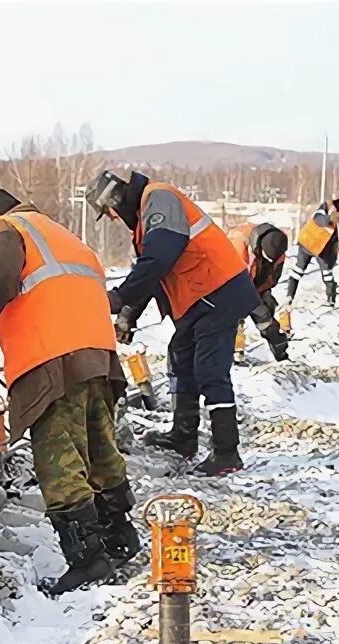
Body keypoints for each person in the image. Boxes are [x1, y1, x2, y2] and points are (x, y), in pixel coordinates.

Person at [0, 189, 138, 595]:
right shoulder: (59, 232)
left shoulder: (3, 226)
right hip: (97, 353)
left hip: (53, 358)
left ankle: (87, 559)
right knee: (99, 446)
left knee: (59, 458)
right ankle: (120, 535)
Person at [84, 170, 259, 477]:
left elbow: (160, 259)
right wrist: (128, 314)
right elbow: (152, 271)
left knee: (210, 371)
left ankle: (227, 453)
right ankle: (183, 436)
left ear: (114, 201)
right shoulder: (146, 217)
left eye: (109, 213)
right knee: (181, 357)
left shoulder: (159, 198)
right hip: (200, 297)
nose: (112, 219)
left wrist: (118, 297)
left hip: (218, 290)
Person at [285, 196, 339, 307]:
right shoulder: (329, 206)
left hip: (324, 249)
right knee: (298, 270)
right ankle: (289, 297)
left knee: (327, 273)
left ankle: (331, 300)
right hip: (309, 242)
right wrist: (330, 219)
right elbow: (317, 218)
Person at [226, 223, 289, 361]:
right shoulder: (239, 244)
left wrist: (265, 297)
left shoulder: (278, 248)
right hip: (232, 287)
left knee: (268, 322)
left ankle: (281, 356)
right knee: (234, 316)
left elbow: (272, 278)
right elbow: (238, 285)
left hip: (256, 284)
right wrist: (256, 305)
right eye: (267, 258)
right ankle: (233, 353)